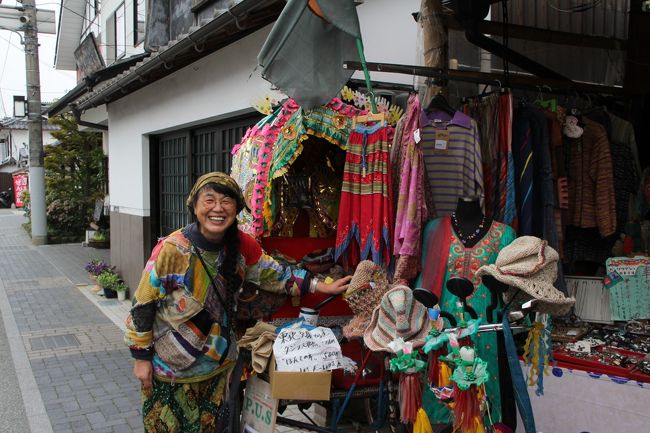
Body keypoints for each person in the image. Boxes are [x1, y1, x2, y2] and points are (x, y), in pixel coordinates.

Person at [124, 172, 351, 432]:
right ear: (195, 206)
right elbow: (143, 303)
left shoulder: (243, 245)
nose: (218, 208)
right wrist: (141, 358)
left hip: (218, 368)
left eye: (226, 201)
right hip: (171, 370)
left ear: (236, 209)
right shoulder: (172, 249)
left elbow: (274, 274)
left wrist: (321, 285)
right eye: (209, 200)